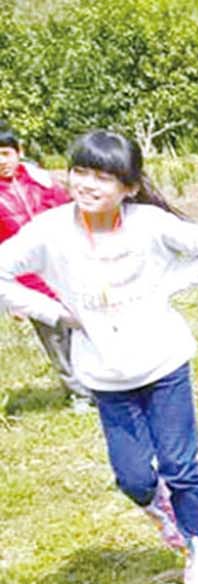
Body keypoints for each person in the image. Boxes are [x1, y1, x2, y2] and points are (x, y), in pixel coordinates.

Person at [0, 130, 198, 584]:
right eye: (80, 172)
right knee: (133, 478)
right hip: (106, 376)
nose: (87, 185)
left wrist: (165, 288)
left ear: (128, 187)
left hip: (164, 362)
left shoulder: (148, 225)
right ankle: (163, 513)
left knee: (181, 466)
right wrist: (59, 313)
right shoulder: (50, 231)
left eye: (103, 177)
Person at [0, 123, 90, 410]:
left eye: (5, 153)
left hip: (67, 268)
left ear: (19, 152)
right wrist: (10, 299)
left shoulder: (42, 182)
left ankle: (101, 383)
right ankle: (79, 393)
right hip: (27, 281)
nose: (2, 161)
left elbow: (70, 215)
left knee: (87, 327)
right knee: (54, 337)